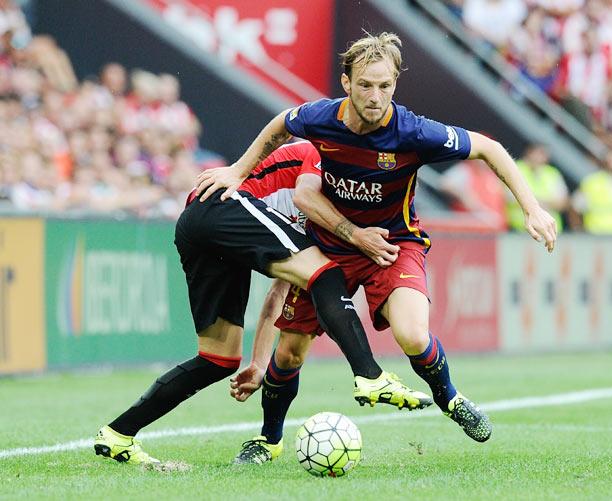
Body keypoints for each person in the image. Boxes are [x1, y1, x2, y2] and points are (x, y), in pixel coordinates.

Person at [195, 32, 557, 463]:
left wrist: (532, 208)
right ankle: (268, 440)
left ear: (395, 85)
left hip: (393, 245)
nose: (375, 95)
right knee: (289, 353)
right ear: (346, 83)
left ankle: (451, 398)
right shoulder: (320, 119)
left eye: (385, 86)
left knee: (412, 333)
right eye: (365, 84)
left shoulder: (413, 131)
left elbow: (489, 148)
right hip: (331, 248)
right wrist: (238, 170)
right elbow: (280, 125)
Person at [93, 141, 431, 466]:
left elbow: (278, 294)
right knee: (327, 274)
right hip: (222, 203)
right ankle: (370, 375)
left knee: (218, 359)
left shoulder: (320, 207)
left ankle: (118, 434)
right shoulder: (326, 157)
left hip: (200, 227)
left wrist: (258, 363)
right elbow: (304, 201)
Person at [506, 143, 568, 233]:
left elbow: (563, 202)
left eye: (544, 155)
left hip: (550, 230)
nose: (541, 158)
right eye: (538, 153)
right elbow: (510, 198)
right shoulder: (515, 168)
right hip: (521, 230)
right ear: (529, 153)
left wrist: (534, 202)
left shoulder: (552, 173)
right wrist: (543, 204)